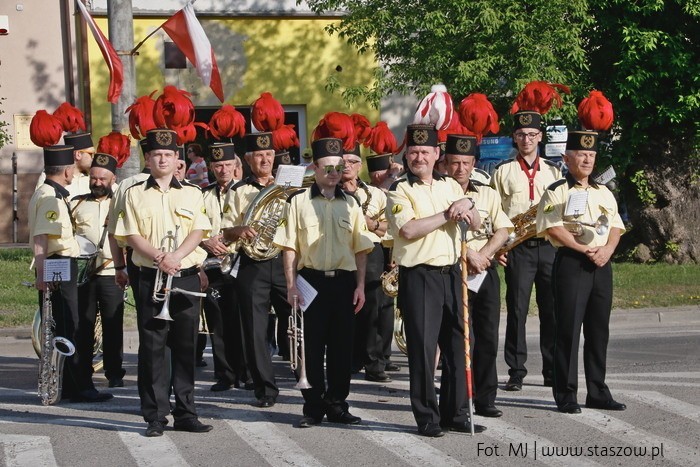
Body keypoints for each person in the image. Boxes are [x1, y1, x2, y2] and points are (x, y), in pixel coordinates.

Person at [385, 124, 483, 437]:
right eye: (413, 152)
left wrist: (467, 205)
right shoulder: (399, 190)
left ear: (436, 154)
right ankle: (427, 416)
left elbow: (477, 223)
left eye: (425, 152)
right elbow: (408, 230)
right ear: (407, 155)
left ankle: (456, 413)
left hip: (452, 273)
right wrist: (447, 214)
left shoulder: (452, 186)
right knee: (424, 352)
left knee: (458, 347)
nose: (419, 157)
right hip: (420, 276)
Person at [114, 128, 213, 437]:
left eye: (168, 155)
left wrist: (176, 256)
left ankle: (186, 412)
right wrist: (160, 256)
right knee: (153, 349)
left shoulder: (193, 193)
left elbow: (198, 231)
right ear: (148, 158)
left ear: (176, 159)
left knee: (186, 348)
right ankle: (155, 416)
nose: (162, 159)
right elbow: (130, 235)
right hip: (151, 276)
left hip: (185, 277)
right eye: (156, 154)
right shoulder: (134, 193)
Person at [274, 137, 374, 428]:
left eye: (338, 167)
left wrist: (359, 286)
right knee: (311, 348)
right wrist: (291, 285)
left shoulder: (352, 204)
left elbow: (361, 248)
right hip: (310, 282)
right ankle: (313, 407)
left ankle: (338, 405)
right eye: (327, 167)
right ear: (314, 168)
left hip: (343, 284)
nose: (333, 172)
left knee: (343, 348)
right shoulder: (298, 202)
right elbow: (289, 247)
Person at [537, 130, 626, 414]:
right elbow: (552, 226)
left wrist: (608, 250)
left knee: (599, 331)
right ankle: (566, 394)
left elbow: (615, 226)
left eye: (591, 155)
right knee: (568, 331)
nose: (587, 160)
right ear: (567, 158)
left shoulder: (604, 191)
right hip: (572, 263)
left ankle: (598, 391)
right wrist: (580, 247)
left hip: (601, 263)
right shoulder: (557, 190)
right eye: (581, 155)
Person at [29, 144, 113, 403]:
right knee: (69, 325)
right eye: (74, 170)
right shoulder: (51, 197)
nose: (76, 174)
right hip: (58, 263)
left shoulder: (49, 192)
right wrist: (43, 273)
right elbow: (42, 237)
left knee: (66, 324)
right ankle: (78, 387)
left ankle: (70, 383)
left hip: (61, 263)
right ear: (66, 171)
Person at [491, 110, 563, 391]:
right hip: (517, 249)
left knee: (551, 309)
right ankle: (516, 370)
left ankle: (550, 368)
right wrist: (497, 248)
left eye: (532, 135)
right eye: (521, 135)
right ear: (514, 138)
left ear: (540, 137)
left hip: (548, 246)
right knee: (517, 310)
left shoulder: (554, 171)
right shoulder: (503, 171)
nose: (526, 139)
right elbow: (494, 212)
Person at [220, 132, 291, 409]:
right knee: (254, 329)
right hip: (252, 264)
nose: (265, 160)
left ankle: (305, 376)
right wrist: (239, 230)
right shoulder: (238, 191)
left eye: (269, 155)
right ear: (248, 160)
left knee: (299, 320)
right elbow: (225, 231)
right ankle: (265, 389)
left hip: (285, 261)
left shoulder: (289, 187)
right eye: (259, 156)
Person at [444, 134, 513, 418]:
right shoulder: (439, 192)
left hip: (485, 272)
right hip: (453, 271)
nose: (461, 168)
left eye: (466, 162)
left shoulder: (488, 193)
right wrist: (468, 255)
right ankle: (460, 398)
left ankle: (486, 398)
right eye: (455, 162)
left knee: (487, 337)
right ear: (445, 163)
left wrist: (483, 254)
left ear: (474, 163)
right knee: (459, 339)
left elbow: (503, 230)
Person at [71, 153, 126, 389]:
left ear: (112, 178)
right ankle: (83, 370)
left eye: (102, 178)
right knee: (83, 324)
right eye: (93, 177)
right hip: (85, 276)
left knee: (113, 325)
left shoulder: (122, 204)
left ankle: (114, 373)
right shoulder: (76, 203)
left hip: (112, 273)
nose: (97, 182)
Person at [200, 142, 250, 391]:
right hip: (211, 265)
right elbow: (193, 227)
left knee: (243, 320)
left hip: (240, 262)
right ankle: (225, 375)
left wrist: (228, 237)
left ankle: (247, 372)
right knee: (217, 322)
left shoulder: (248, 192)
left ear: (235, 166)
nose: (223, 169)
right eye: (218, 165)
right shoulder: (203, 194)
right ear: (211, 167)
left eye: (228, 164)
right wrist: (204, 241)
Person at [342, 144, 392, 383]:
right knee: (344, 307)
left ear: (360, 166)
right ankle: (351, 358)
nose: (347, 166)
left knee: (372, 307)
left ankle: (374, 362)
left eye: (352, 161)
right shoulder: (328, 192)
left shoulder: (376, 193)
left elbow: (388, 228)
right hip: (341, 252)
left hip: (371, 251)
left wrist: (371, 223)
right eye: (342, 161)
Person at [366, 152, 402, 373]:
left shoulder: (395, 189)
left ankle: (385, 353)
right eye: (384, 171)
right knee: (373, 305)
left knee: (388, 305)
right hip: (373, 249)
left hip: (391, 247)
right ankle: (372, 356)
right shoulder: (370, 192)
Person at [35, 132, 95, 198]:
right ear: (78, 154)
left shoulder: (93, 177)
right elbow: (42, 199)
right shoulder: (52, 175)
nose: (93, 158)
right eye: (91, 154)